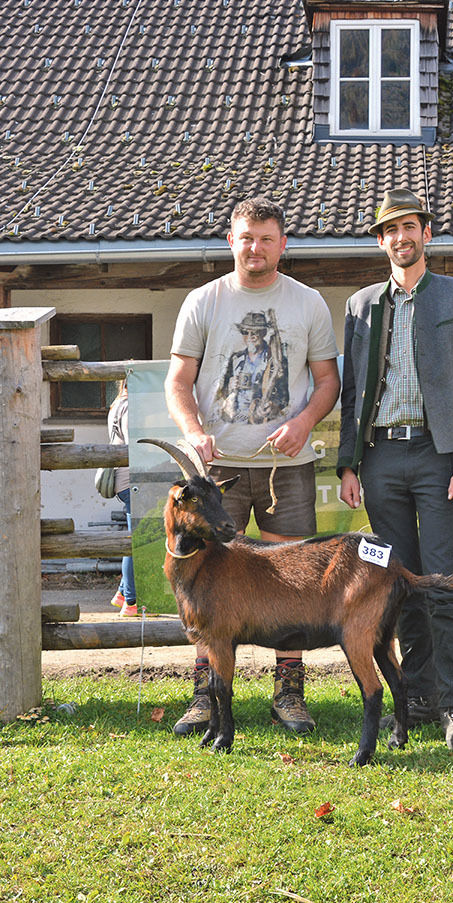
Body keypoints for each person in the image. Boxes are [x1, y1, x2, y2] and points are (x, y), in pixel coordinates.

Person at [164, 196, 340, 737]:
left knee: (290, 583)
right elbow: (178, 382)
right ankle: (205, 693)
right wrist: (195, 432)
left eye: (266, 239)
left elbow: (328, 381)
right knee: (208, 587)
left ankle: (288, 693)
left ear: (283, 244)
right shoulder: (203, 301)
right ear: (231, 241)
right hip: (217, 477)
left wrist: (305, 421)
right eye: (246, 238)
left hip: (286, 466)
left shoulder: (308, 303)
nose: (255, 248)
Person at [337, 188, 453, 751]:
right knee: (398, 586)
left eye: (410, 227)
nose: (401, 237)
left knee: (444, 583)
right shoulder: (362, 306)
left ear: (426, 233)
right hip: (379, 459)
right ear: (381, 242)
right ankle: (418, 695)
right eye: (390, 230)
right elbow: (353, 391)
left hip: (440, 456)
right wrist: (348, 465)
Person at [107, 380, 138, 616]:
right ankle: (131, 601)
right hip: (131, 480)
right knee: (134, 542)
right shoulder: (129, 407)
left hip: (121, 479)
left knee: (132, 538)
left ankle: (121, 593)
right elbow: (133, 443)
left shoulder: (116, 404)